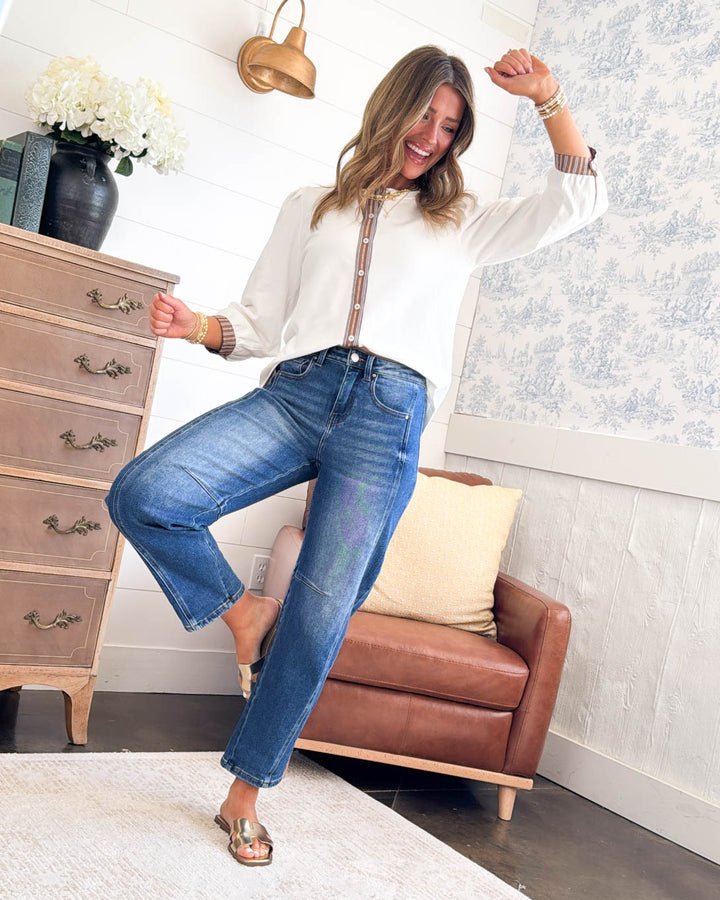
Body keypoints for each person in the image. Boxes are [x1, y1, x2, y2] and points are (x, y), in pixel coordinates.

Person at [107, 45, 608, 866]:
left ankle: (244, 794)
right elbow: (258, 320)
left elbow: (578, 199)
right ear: (390, 108)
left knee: (321, 609)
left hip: (387, 417)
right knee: (146, 492)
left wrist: (549, 97)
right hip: (298, 393)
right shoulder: (310, 207)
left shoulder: (463, 218)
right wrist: (197, 326)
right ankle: (243, 614)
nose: (432, 137)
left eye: (450, 127)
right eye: (425, 115)